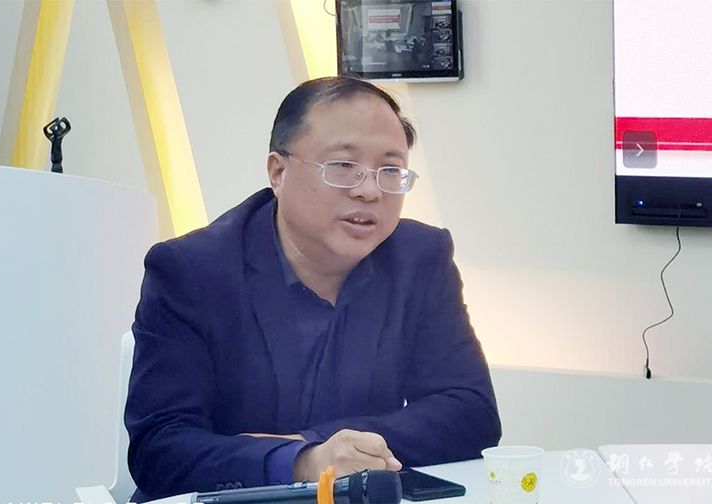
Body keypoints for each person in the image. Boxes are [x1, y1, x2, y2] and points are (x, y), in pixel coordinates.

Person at [125, 76, 501, 503]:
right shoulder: (191, 270)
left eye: (390, 170)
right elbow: (160, 448)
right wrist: (300, 464)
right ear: (278, 171)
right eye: (343, 166)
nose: (369, 190)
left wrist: (311, 446)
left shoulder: (420, 257)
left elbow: (472, 415)